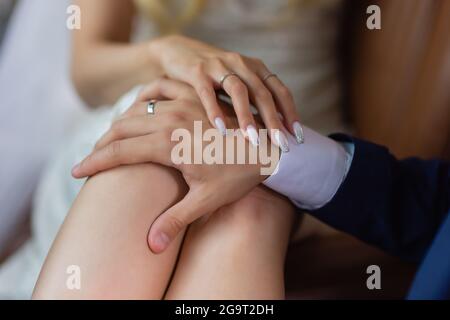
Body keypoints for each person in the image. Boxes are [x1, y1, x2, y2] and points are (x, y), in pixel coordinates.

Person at [1, 0, 347, 299]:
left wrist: (265, 145)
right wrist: (164, 53)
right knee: (152, 155)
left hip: (285, 141)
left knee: (250, 203)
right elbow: (88, 74)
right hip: (151, 103)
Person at [66, 78, 450, 299]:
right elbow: (428, 207)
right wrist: (270, 154)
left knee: (245, 211)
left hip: (261, 122)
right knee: (152, 151)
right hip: (172, 100)